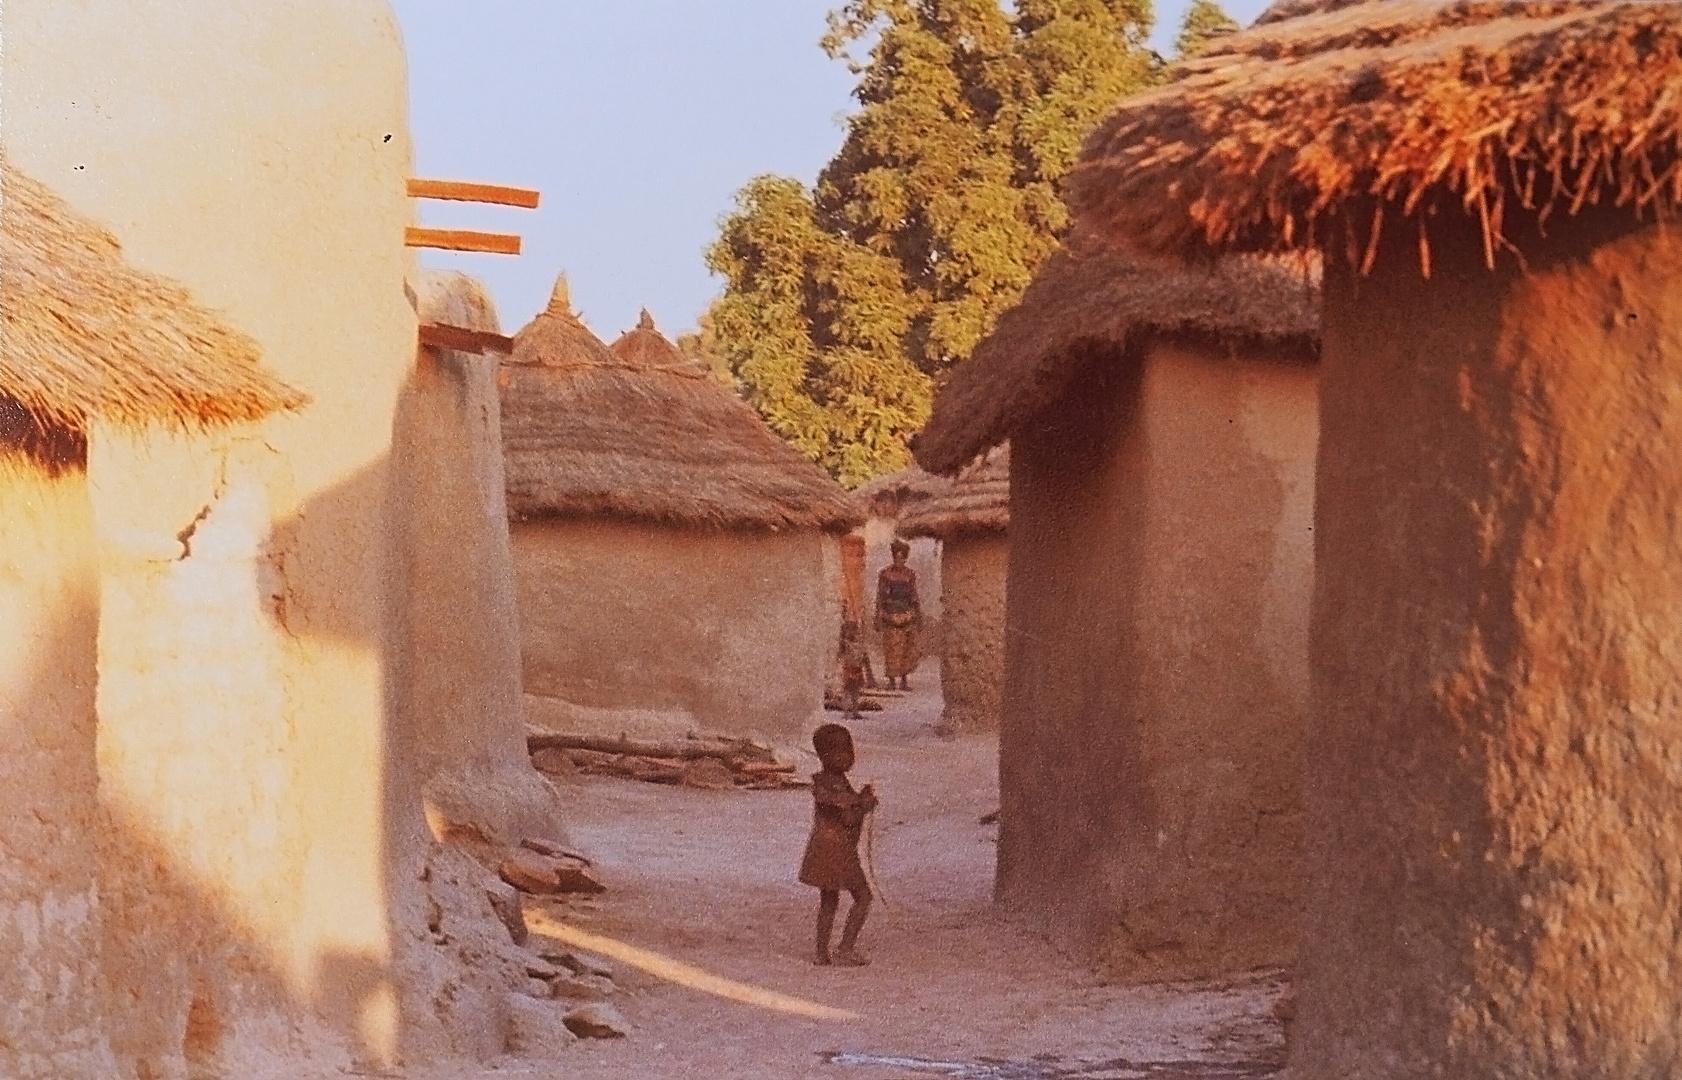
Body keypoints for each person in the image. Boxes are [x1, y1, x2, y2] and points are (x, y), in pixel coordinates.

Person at [798, 723, 877, 966]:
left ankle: (822, 952)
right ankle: (845, 947)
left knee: (829, 900)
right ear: (825, 756)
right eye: (842, 752)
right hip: (838, 852)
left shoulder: (827, 781)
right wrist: (865, 805)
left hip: (823, 850)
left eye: (849, 750)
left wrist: (859, 799)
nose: (849, 756)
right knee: (863, 897)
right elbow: (849, 818)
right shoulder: (832, 786)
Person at [875, 539, 921, 691]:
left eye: (901, 558)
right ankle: (891, 681)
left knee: (907, 649)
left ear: (905, 558)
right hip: (890, 616)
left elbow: (914, 596)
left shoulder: (910, 575)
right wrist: (878, 616)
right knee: (892, 649)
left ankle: (904, 680)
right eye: (896, 557)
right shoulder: (885, 574)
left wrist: (918, 616)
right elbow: (880, 596)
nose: (898, 560)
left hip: (907, 616)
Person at [838, 618, 868, 721]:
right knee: (847, 691)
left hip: (857, 669)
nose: (853, 632)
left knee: (856, 692)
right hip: (848, 669)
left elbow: (862, 656)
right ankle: (846, 711)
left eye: (854, 630)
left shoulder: (859, 643)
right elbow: (841, 655)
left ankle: (855, 711)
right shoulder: (844, 644)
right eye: (850, 630)